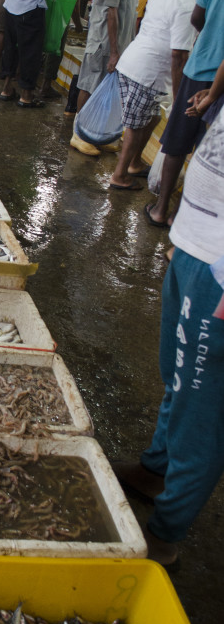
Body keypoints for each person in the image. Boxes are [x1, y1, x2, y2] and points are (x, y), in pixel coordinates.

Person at [113, 105, 224, 567]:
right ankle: (155, 468)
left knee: (202, 410)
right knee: (175, 372)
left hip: (217, 271)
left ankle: (164, 533)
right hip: (198, 245)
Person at [108, 0, 221, 190]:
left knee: (151, 118)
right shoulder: (189, 2)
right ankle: (119, 175)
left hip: (134, 61)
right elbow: (178, 56)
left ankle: (135, 163)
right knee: (136, 127)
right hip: (149, 71)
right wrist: (180, 98)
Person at [146, 0, 224, 228]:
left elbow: (197, 17)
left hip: (200, 69)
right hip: (218, 82)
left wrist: (211, 38)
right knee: (206, 153)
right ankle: (179, 216)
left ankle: (160, 208)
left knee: (177, 144)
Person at [70, 0, 152, 156]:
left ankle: (96, 131)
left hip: (121, 38)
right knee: (89, 82)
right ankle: (78, 133)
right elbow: (111, 11)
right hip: (105, 39)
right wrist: (114, 51)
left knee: (106, 85)